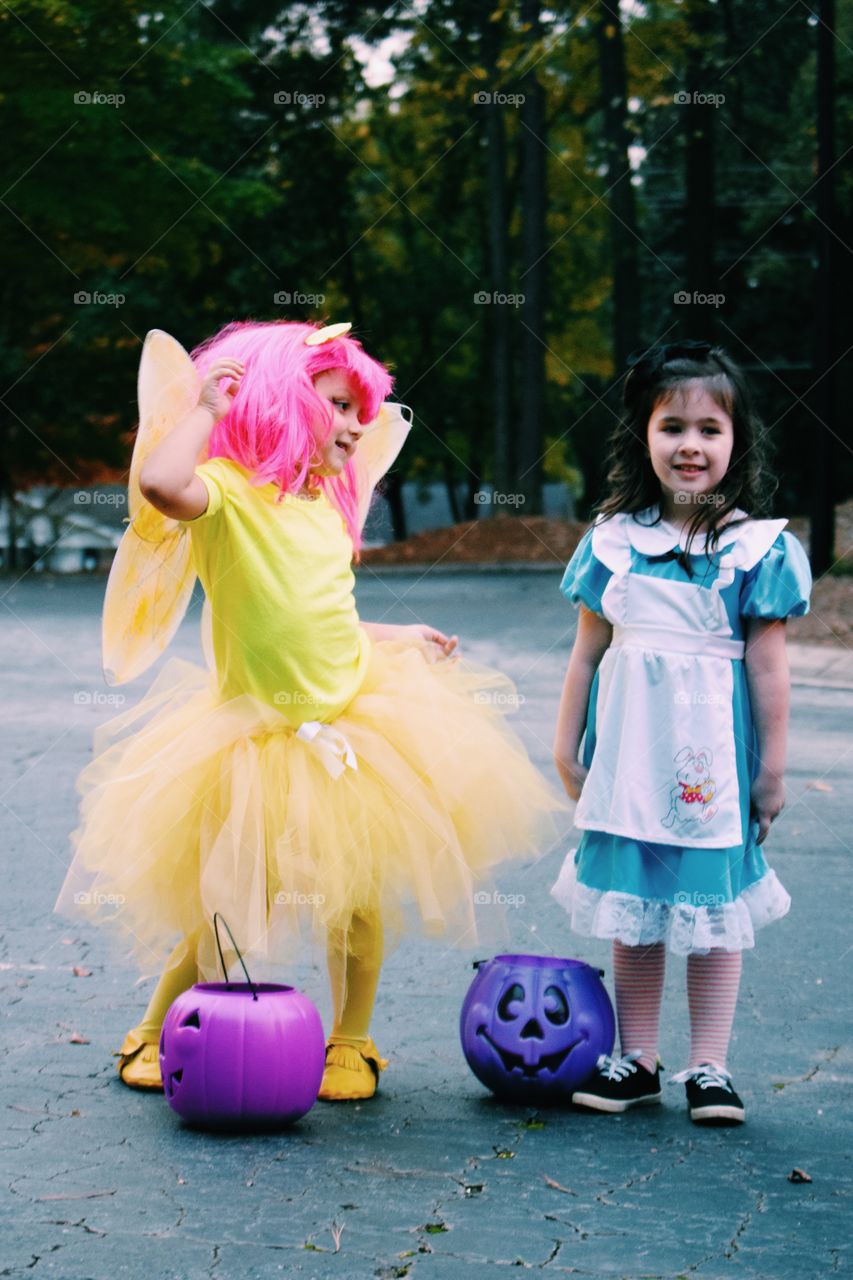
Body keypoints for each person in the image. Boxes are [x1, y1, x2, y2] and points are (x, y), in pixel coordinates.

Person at [58, 320, 562, 1101]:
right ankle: (157, 1028)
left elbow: (324, 618)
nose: (357, 426)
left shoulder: (325, 506)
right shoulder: (226, 495)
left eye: (362, 410)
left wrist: (398, 637)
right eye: (338, 405)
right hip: (256, 740)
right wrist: (205, 410)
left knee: (356, 895)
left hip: (355, 722)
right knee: (224, 902)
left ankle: (351, 1041)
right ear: (279, 401)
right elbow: (158, 484)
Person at [550, 340, 811, 1124]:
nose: (689, 445)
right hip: (627, 761)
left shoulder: (757, 549)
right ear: (643, 436)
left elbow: (768, 669)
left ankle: (709, 1067)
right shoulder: (611, 543)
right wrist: (565, 746)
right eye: (671, 427)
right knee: (635, 907)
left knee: (708, 914)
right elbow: (585, 654)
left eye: (708, 429)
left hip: (713, 770)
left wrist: (771, 771)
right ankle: (636, 1060)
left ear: (736, 442)